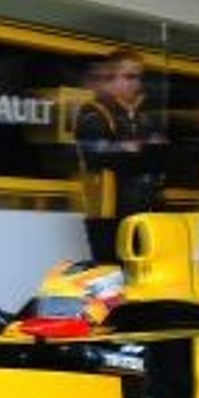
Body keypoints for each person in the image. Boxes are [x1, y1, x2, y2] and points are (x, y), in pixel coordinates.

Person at [73, 49, 167, 262]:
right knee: (113, 277)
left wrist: (134, 150)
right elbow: (98, 156)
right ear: (111, 78)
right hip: (109, 214)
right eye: (129, 76)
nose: (136, 83)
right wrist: (136, 150)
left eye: (139, 77)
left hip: (148, 212)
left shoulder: (147, 117)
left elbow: (160, 159)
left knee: (148, 279)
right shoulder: (93, 111)